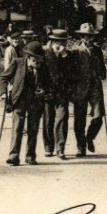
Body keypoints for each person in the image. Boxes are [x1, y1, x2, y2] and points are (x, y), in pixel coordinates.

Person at [0, 41, 53, 166]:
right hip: (19, 100)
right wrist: (3, 93)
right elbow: (3, 78)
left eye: (40, 59)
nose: (39, 62)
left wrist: (44, 91)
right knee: (17, 128)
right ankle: (13, 156)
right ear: (29, 57)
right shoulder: (18, 63)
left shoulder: (43, 67)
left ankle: (30, 156)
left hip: (36, 102)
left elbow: (49, 84)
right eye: (36, 59)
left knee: (33, 129)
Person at [76, 23, 107, 154]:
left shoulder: (97, 49)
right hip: (80, 88)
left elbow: (103, 68)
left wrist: (101, 74)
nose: (88, 39)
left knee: (99, 116)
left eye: (90, 36)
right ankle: (81, 147)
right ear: (81, 37)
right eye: (85, 36)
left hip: (95, 87)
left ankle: (90, 137)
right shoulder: (75, 50)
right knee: (79, 119)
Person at [43, 29, 73, 160]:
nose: (58, 44)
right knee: (48, 119)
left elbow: (72, 73)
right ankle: (48, 147)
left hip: (62, 92)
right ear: (51, 41)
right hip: (48, 92)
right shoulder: (45, 53)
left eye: (62, 42)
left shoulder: (69, 56)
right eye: (56, 41)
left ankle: (60, 148)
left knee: (62, 118)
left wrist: (64, 56)